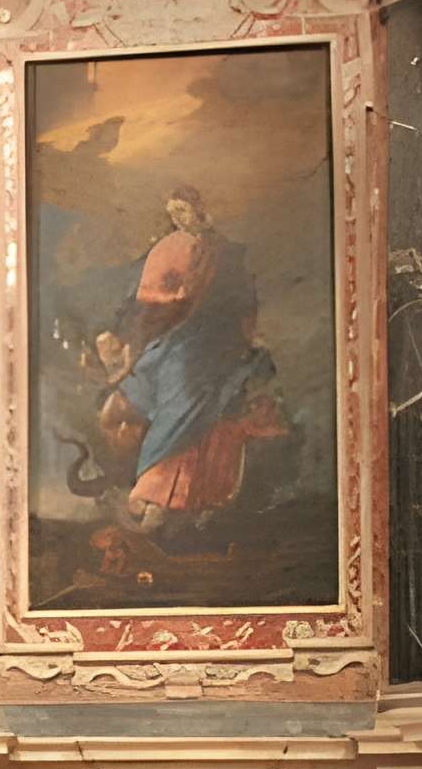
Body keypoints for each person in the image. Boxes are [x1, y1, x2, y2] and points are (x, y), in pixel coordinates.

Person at [96, 184, 287, 528]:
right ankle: (156, 492)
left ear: (199, 210)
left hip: (216, 341)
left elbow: (244, 299)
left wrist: (244, 334)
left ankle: (169, 495)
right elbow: (143, 300)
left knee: (190, 401)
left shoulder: (226, 254)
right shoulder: (167, 248)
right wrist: (133, 328)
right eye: (173, 213)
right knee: (162, 390)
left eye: (183, 211)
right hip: (175, 338)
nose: (179, 218)